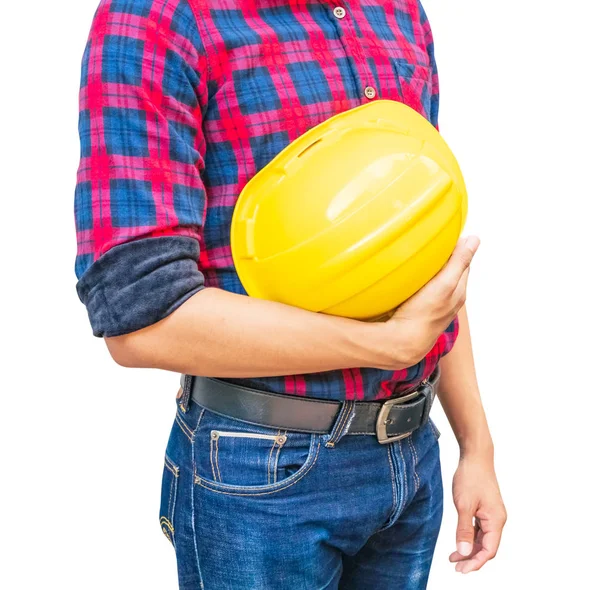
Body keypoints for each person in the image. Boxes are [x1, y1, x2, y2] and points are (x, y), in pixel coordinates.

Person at [74, 0, 506, 588]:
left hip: (413, 461)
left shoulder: (396, 11)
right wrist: (386, 344)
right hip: (260, 473)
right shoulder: (157, 17)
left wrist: (475, 446)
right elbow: (140, 316)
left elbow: (418, 256)